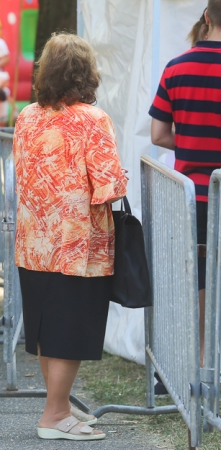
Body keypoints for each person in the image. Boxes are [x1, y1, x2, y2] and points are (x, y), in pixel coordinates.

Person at [14, 33, 127, 441]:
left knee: (48, 329)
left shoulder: (27, 115)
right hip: (78, 243)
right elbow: (109, 185)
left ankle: (58, 408)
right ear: (87, 73)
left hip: (33, 239)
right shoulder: (91, 120)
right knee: (70, 330)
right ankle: (55, 414)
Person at [150, 0, 221, 387]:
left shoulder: (177, 67)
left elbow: (159, 135)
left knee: (195, 280)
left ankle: (194, 364)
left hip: (193, 196)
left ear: (207, 18)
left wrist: (192, 142)